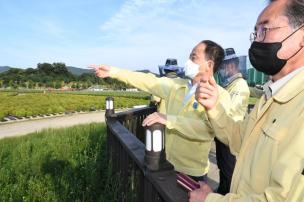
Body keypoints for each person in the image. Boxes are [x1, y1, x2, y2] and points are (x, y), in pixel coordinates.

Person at [190, 0, 304, 201]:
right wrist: (214, 107)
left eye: (265, 29)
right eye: (255, 32)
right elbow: (241, 139)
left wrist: (210, 200)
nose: (256, 41)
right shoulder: (271, 96)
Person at [92, 40, 232, 182]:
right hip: (167, 162)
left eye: (194, 57)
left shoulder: (220, 96)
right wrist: (113, 72)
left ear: (209, 64)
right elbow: (148, 80)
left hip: (192, 171)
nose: (188, 61)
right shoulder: (177, 85)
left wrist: (169, 119)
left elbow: (207, 130)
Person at [214, 48, 250, 195]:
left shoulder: (240, 85)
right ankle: (222, 190)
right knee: (223, 166)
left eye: (223, 66)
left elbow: (230, 112)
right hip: (223, 133)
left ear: (231, 66)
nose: (222, 70)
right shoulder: (230, 85)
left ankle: (226, 195)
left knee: (228, 169)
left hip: (230, 135)